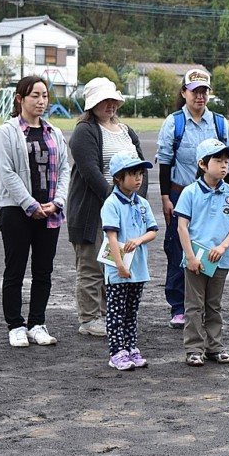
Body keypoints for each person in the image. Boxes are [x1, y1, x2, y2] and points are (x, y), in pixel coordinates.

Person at [0, 75, 70, 347]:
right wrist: (30, 204)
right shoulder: (7, 132)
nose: (41, 101)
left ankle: (37, 323)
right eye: (35, 95)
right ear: (20, 99)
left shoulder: (54, 133)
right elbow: (6, 172)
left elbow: (65, 169)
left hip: (49, 212)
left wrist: (57, 202)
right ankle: (15, 325)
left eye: (44, 95)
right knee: (15, 269)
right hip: (17, 211)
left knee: (43, 271)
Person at [68, 77, 147, 337]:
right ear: (93, 104)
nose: (111, 105)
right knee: (92, 265)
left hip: (125, 209)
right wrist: (117, 200)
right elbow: (91, 172)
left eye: (113, 100)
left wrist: (136, 201)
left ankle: (109, 313)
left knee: (115, 263)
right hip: (93, 210)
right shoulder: (84, 131)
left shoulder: (126, 130)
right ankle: (90, 318)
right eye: (105, 101)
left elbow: (141, 167)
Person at [156, 69, 229, 329]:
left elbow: (227, 165)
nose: (200, 96)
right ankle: (179, 307)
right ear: (183, 93)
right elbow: (165, 162)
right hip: (180, 193)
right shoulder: (174, 123)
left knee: (210, 245)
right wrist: (166, 198)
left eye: (204, 91)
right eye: (194, 91)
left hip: (214, 196)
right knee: (178, 249)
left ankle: (205, 306)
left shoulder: (219, 124)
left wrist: (227, 198)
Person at [175, 139, 229, 367]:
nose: (224, 165)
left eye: (226, 161)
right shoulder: (190, 192)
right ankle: (194, 348)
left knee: (214, 305)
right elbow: (182, 227)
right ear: (202, 164)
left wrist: (223, 247)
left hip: (220, 260)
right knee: (194, 305)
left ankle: (215, 346)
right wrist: (190, 257)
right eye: (218, 160)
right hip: (196, 260)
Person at [99, 152, 158, 371]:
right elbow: (111, 237)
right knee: (116, 311)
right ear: (118, 177)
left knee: (132, 311)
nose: (138, 179)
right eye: (133, 174)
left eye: (140, 174)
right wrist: (120, 266)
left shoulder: (142, 203)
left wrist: (139, 239)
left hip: (138, 268)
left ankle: (131, 347)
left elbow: (152, 231)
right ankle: (117, 352)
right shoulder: (112, 204)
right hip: (118, 269)